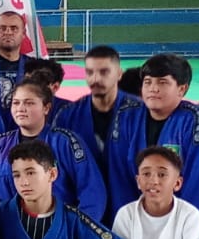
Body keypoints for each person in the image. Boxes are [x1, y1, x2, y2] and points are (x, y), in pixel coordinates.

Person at [106, 53, 199, 239]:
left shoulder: (197, 122)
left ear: (182, 89)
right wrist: (130, 223)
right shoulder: (126, 117)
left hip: (194, 212)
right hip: (143, 210)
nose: (153, 89)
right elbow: (119, 178)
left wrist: (187, 233)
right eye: (148, 82)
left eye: (162, 83)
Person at [0, 139, 137, 239]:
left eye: (31, 173)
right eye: (16, 175)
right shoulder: (0, 215)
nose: (23, 182)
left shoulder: (73, 220)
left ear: (52, 174)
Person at [0, 79, 107, 222]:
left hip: (59, 229)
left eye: (29, 103)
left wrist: (76, 229)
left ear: (46, 108)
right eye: (16, 103)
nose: (20, 109)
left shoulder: (66, 143)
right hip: (9, 230)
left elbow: (92, 193)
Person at [111, 147, 199, 239]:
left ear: (177, 183)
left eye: (162, 175)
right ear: (138, 181)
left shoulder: (190, 217)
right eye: (146, 174)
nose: (153, 181)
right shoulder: (126, 215)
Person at [53, 45, 140, 180]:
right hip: (84, 191)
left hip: (129, 190)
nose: (95, 79)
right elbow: (59, 165)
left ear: (119, 74)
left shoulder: (140, 113)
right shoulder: (68, 115)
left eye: (104, 72)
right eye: (89, 72)